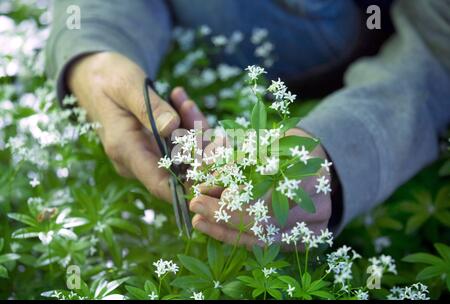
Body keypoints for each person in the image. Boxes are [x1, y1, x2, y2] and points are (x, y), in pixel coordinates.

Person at [45, 0, 450, 247]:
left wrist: (346, 150)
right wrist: (93, 54)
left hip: (353, 72)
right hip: (193, 57)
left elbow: (439, 46)